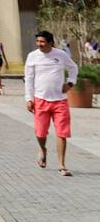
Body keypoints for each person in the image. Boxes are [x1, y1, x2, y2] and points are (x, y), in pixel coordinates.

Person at [25, 30, 78, 176]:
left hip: (60, 100)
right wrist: (28, 99)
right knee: (40, 133)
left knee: (62, 133)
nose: (39, 44)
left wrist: (70, 83)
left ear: (50, 42)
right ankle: (42, 149)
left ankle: (62, 165)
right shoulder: (32, 56)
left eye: (42, 42)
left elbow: (73, 67)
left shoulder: (60, 54)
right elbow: (29, 79)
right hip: (40, 99)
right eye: (38, 42)